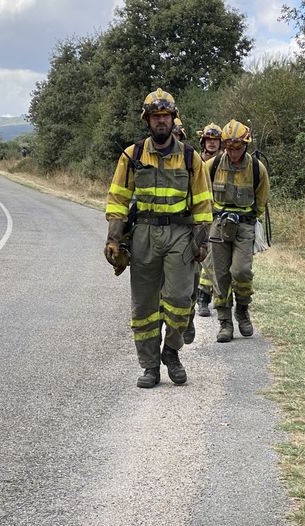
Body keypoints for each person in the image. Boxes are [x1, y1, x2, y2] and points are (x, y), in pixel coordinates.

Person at [104, 88, 213, 388]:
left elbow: (204, 204)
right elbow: (117, 200)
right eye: (156, 116)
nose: (161, 121)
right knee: (143, 307)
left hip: (179, 234)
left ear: (173, 119)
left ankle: (172, 352)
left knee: (179, 299)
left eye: (165, 116)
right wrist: (114, 238)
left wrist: (202, 242)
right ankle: (150, 367)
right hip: (143, 236)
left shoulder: (192, 159)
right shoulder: (132, 155)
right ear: (148, 120)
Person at [205, 119, 270, 343]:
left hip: (244, 225)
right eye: (229, 148)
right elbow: (202, 194)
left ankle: (242, 310)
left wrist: (250, 219)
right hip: (219, 225)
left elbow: (262, 199)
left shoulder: (256, 168)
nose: (233, 153)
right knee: (220, 274)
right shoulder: (212, 166)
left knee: (241, 271)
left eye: (238, 148)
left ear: (246, 145)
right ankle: (224, 322)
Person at [196, 123, 223, 317]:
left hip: (220, 217)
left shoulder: (226, 162)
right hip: (199, 217)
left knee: (214, 258)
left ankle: (206, 296)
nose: (212, 143)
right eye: (208, 139)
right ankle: (201, 296)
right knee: (201, 257)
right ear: (203, 141)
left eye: (215, 139)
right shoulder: (196, 161)